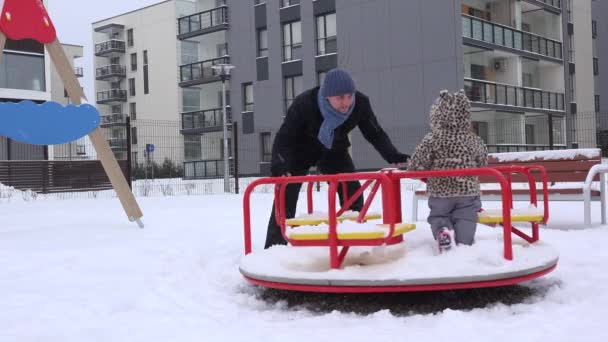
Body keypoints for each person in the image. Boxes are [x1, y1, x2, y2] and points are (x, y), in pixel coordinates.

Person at [265, 68, 410, 249]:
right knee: (285, 193)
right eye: (340, 98)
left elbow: (375, 133)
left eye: (349, 96)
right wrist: (280, 165)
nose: (346, 103)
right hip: (299, 150)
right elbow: (284, 137)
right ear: (327, 96)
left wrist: (392, 155)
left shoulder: (360, 104)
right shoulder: (305, 104)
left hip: (334, 149)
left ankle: (355, 241)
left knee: (352, 190)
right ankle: (274, 248)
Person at [407, 90, 488, 253]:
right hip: (467, 191)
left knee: (439, 216)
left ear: (436, 114)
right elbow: (483, 161)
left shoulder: (433, 138)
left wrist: (421, 167)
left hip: (440, 191)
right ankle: (464, 243)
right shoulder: (472, 139)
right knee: (466, 217)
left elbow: (417, 162)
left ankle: (443, 232)